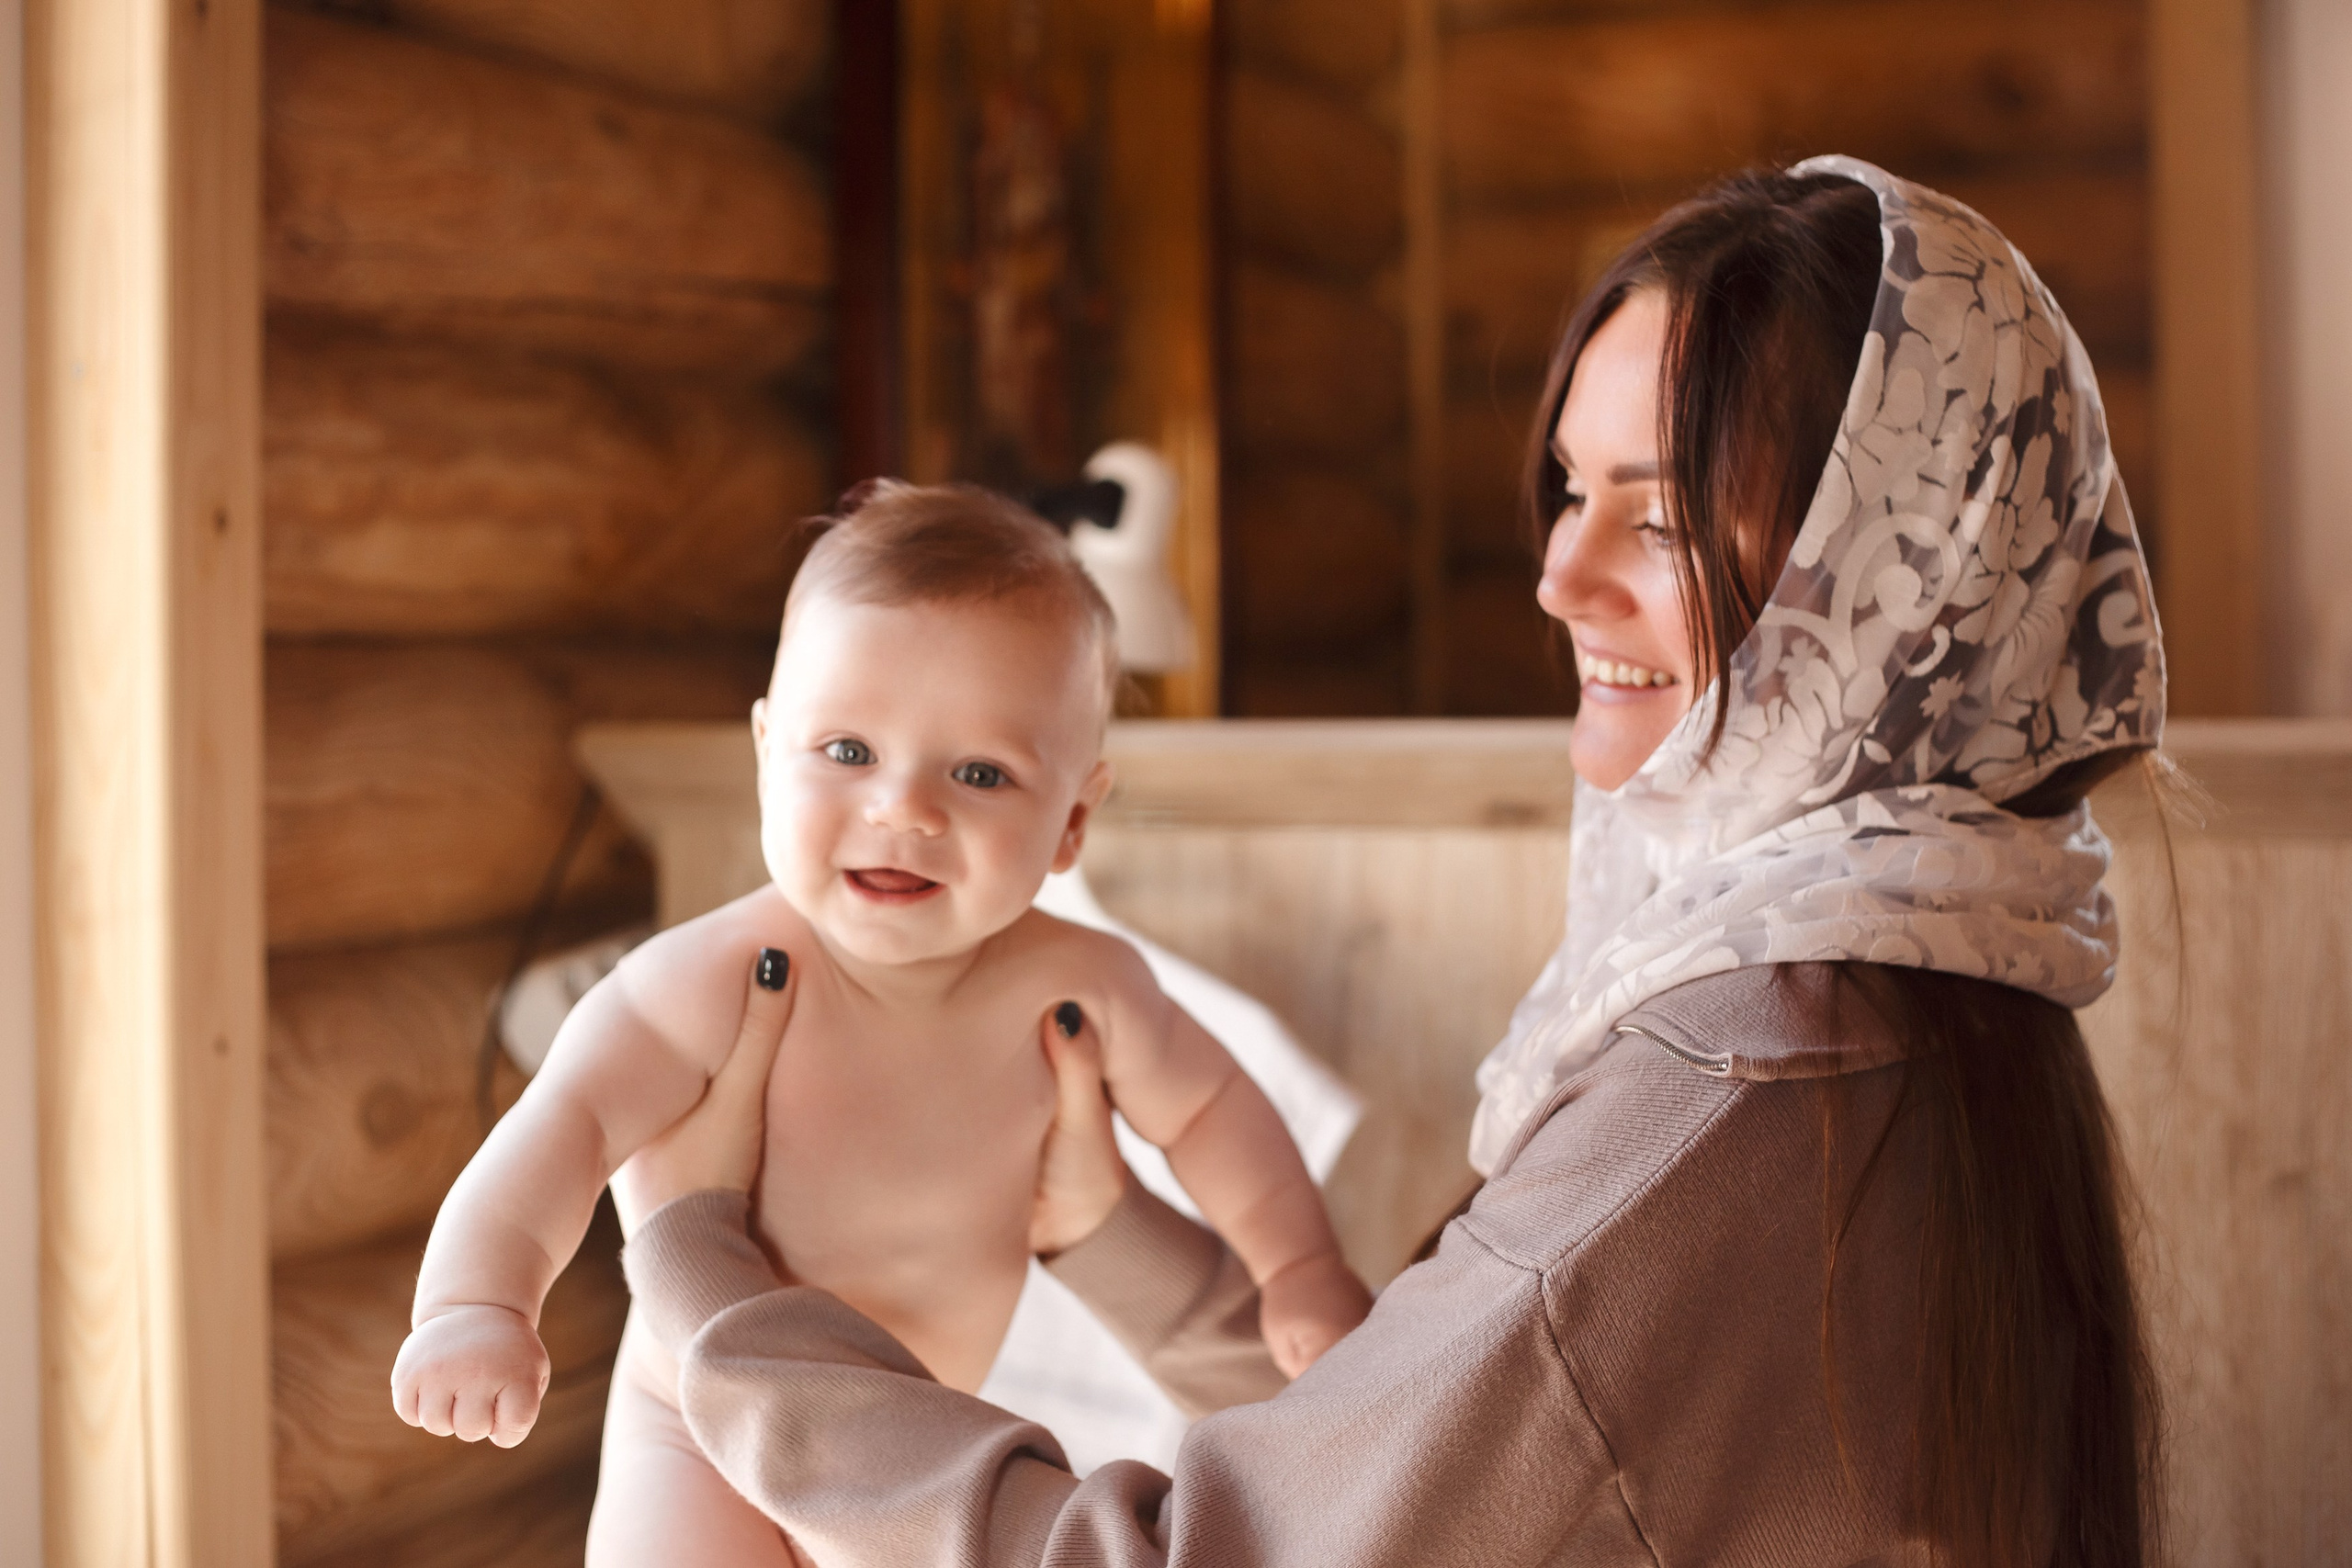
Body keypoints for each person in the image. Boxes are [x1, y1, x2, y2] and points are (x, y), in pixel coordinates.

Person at [611, 157, 2166, 1566]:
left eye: (1668, 517)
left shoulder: (1747, 1076)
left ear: (1901, 575)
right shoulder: (1945, 984)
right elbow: (1464, 1479)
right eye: (1570, 488)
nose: (1560, 574)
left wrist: (707, 1278)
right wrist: (1112, 1239)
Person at [388, 484, 1372, 1566]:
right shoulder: (707, 980)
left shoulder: (1079, 986)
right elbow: (562, 1127)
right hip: (699, 1431)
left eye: (980, 773)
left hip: (916, 1445)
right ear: (767, 752)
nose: (903, 808)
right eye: (847, 752)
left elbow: (1216, 1109)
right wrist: (476, 1300)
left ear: (1072, 822)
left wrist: (1299, 1267)